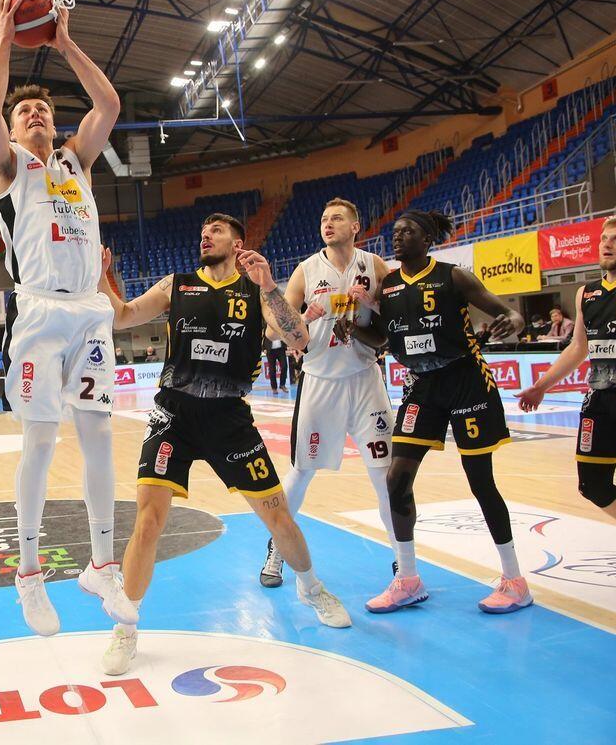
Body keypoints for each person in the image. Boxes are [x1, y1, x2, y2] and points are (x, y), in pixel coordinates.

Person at [96, 214, 350, 675]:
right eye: (203, 231)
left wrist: (270, 285)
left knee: (279, 518)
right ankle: (125, 629)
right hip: (173, 415)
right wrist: (101, 277)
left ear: (237, 243)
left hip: (229, 419)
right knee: (148, 521)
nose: (205, 235)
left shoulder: (256, 291)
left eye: (215, 231)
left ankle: (312, 589)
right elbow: (122, 316)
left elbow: (300, 337)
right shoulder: (177, 284)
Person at [0, 0, 135, 635]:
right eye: (24, 111)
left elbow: (110, 105)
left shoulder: (76, 159)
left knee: (98, 435)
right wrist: (3, 39)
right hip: (40, 313)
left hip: (90, 311)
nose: (35, 113)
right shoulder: (8, 167)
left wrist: (64, 42)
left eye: (42, 108)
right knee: (41, 440)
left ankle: (102, 565)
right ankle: (28, 574)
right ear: (14, 130)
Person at [350, 210, 531, 615]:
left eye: (407, 231)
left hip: (466, 380)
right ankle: (409, 579)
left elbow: (508, 312)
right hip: (422, 386)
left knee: (480, 481)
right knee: (397, 478)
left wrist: (515, 321)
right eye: (395, 232)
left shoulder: (454, 276)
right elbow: (382, 339)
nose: (398, 237)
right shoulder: (388, 285)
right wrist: (353, 329)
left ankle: (515, 581)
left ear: (427, 238)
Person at [258, 198, 399, 588]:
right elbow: (272, 329)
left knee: (385, 475)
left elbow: (394, 316)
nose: (328, 223)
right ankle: (277, 549)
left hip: (365, 380)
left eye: (337, 218)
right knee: (302, 471)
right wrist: (303, 318)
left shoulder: (375, 266)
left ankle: (403, 561)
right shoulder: (306, 270)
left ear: (355, 227)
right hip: (320, 380)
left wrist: (371, 303)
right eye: (324, 219)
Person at [519, 215, 616, 589]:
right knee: (592, 484)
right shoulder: (586, 293)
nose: (607, 244)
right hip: (599, 399)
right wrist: (542, 385)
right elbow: (578, 348)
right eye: (604, 238)